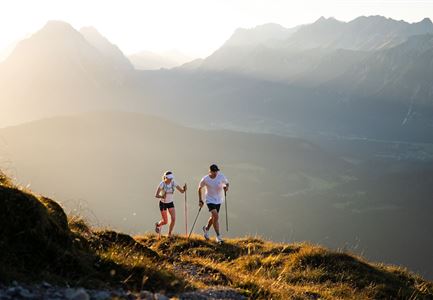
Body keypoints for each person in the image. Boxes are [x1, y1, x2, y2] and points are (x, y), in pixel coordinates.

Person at [198, 164, 229, 243]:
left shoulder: (221, 176)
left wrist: (226, 188)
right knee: (216, 216)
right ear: (210, 171)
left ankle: (206, 229)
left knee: (213, 217)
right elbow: (199, 188)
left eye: (216, 171)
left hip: (218, 200)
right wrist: (200, 200)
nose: (215, 173)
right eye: (214, 171)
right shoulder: (205, 179)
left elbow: (227, 183)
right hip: (209, 200)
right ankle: (218, 236)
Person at [154, 171, 187, 237]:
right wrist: (162, 196)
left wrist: (184, 189)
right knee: (165, 222)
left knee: (173, 219)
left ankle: (169, 234)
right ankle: (158, 224)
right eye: (169, 178)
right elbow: (156, 195)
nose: (171, 179)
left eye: (171, 178)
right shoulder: (162, 184)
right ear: (165, 178)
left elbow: (181, 191)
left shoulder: (173, 183)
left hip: (170, 203)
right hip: (163, 203)